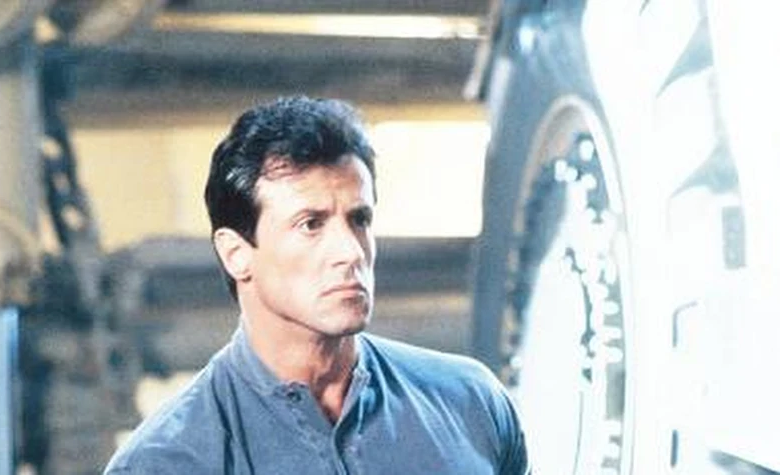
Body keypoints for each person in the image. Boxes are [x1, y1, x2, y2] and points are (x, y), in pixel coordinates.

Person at [103, 96, 530, 474]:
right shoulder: (164, 462)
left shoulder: (469, 403)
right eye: (311, 224)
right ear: (236, 254)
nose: (351, 251)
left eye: (359, 219)